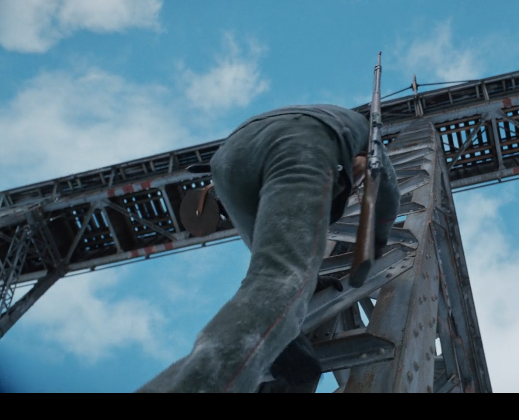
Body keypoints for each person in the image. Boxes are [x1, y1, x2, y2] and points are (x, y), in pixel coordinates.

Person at [137, 104, 401, 393]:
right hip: (304, 144)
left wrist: (307, 280)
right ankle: (206, 379)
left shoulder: (333, 123)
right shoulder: (363, 136)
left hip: (228, 160)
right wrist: (376, 242)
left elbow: (275, 257)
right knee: (284, 277)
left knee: (270, 274)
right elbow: (387, 190)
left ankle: (281, 343)